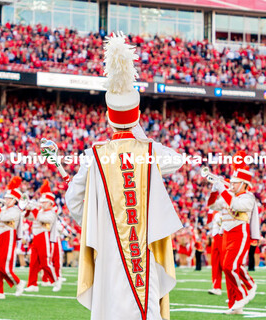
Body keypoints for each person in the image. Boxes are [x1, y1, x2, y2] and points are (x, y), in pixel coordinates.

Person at [65, 32, 183, 320]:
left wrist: (98, 220)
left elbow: (72, 200)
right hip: (141, 254)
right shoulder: (150, 151)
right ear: (138, 115)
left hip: (108, 253)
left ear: (108, 116)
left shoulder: (94, 155)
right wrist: (139, 132)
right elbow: (178, 160)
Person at [207, 154, 260, 314]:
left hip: (239, 233)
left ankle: (243, 293)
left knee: (231, 266)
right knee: (226, 267)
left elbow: (235, 205)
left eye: (235, 182)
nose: (231, 184)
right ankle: (234, 303)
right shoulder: (228, 195)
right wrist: (214, 191)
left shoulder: (248, 197)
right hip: (226, 234)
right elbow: (211, 206)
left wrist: (223, 189)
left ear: (244, 184)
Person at [0, 176, 26, 299]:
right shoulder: (4, 209)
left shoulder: (16, 211)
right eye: (5, 198)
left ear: (14, 200)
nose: (5, 200)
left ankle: (18, 282)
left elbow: (2, 218)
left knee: (3, 265)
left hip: (8, 237)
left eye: (8, 198)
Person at [25, 180, 60, 293]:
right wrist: (28, 209)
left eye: (45, 202)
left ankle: (55, 280)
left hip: (44, 236)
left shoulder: (52, 212)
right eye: (42, 201)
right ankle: (32, 284)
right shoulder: (40, 210)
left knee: (45, 262)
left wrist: (35, 210)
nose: (42, 203)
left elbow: (46, 220)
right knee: (33, 262)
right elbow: (29, 217)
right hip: (35, 236)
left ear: (50, 203)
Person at [207, 209, 223, 296]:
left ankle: (236, 288)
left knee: (226, 265)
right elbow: (209, 225)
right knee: (215, 264)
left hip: (223, 237)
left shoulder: (226, 208)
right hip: (215, 237)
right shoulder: (213, 211)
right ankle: (216, 287)